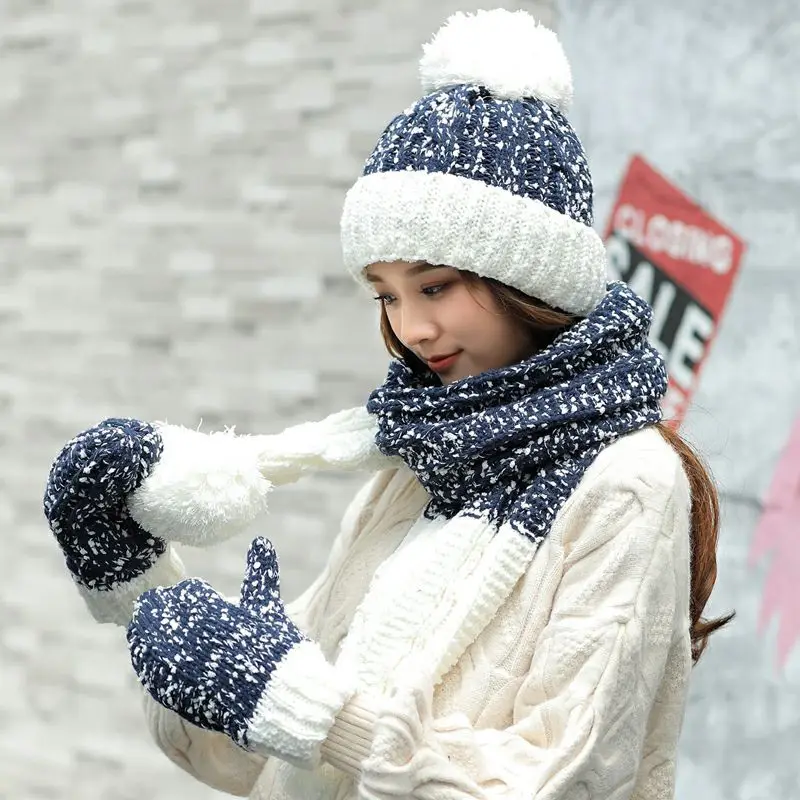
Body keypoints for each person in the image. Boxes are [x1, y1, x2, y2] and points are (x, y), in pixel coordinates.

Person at [43, 9, 733, 800]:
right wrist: (142, 585)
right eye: (386, 295)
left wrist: (308, 709)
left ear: (532, 279)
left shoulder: (629, 484)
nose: (411, 329)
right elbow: (253, 758)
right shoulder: (420, 461)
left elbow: (564, 781)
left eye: (434, 287)